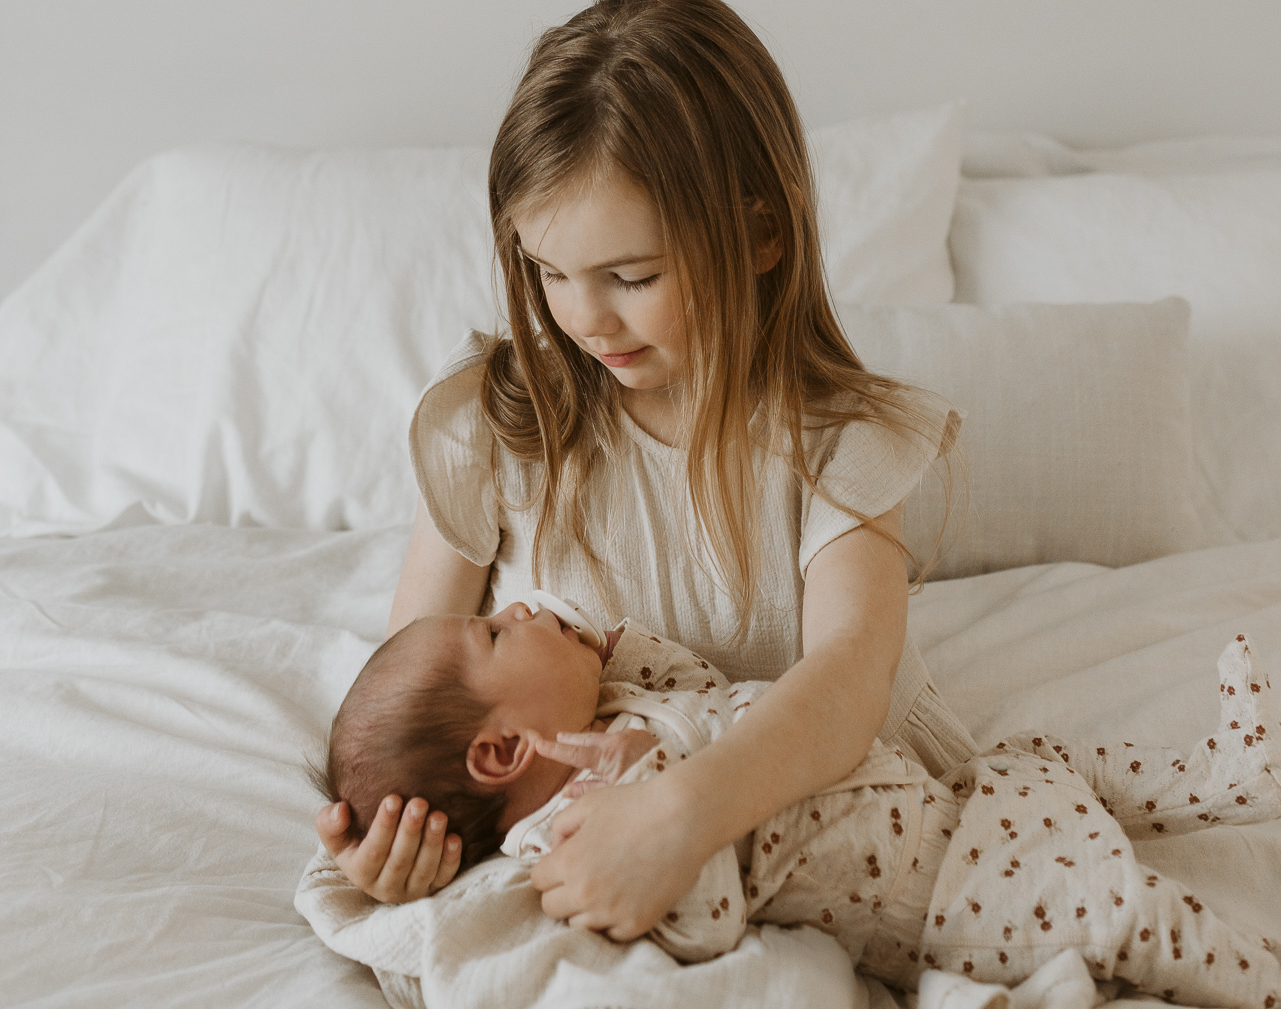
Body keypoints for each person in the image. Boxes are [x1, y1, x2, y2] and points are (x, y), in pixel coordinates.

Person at [314, 0, 977, 940]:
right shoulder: (497, 423)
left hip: (812, 827)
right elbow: (420, 682)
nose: (585, 319)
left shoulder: (835, 440)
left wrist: (679, 815)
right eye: (547, 270)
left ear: (758, 236)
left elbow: (848, 678)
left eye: (631, 277)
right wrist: (395, 837)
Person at [307, 602, 1281, 1006]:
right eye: (497, 633)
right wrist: (664, 795)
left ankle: (1221, 779)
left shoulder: (617, 704)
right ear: (500, 750)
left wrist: (618, 662)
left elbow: (697, 683)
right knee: (1133, 914)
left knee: (1050, 755)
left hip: (947, 797)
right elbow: (704, 919)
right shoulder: (572, 834)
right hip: (950, 891)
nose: (524, 605)